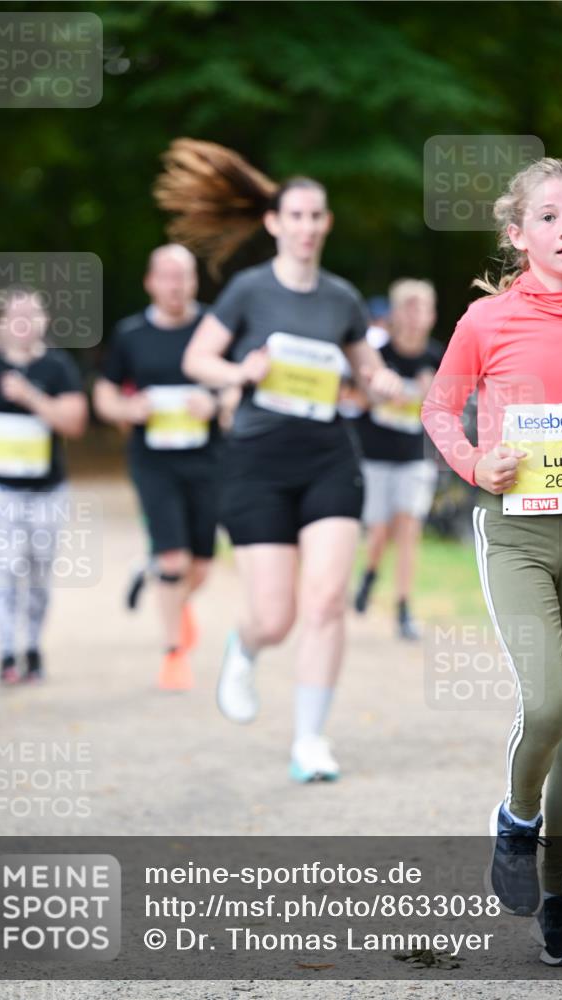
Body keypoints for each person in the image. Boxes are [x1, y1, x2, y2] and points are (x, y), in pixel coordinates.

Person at [154, 138, 405, 781]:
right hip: (258, 462)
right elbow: (196, 361)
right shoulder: (247, 290)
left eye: (316, 215)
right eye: (294, 215)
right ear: (274, 223)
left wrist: (378, 382)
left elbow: (367, 366)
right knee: (277, 614)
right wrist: (242, 369)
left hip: (328, 457)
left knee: (324, 603)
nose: (306, 226)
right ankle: (246, 646)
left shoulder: (342, 298)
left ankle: (310, 741)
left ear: (325, 224)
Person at [421, 158, 562, 966]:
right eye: (546, 217)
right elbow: (438, 407)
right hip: (517, 534)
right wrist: (474, 463)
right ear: (517, 234)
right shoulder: (485, 322)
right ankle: (515, 817)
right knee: (546, 708)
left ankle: (554, 903)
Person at [93, 245, 220, 691]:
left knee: (201, 566)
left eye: (183, 275)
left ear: (194, 281)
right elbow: (104, 396)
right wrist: (128, 409)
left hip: (207, 459)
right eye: (167, 275)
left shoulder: (214, 329)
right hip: (153, 462)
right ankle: (173, 653)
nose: (176, 284)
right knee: (174, 558)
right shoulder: (131, 334)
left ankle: (165, 589)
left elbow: (240, 382)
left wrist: (216, 402)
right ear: (150, 282)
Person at [0, 288, 87, 683]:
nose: (23, 321)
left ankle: (32, 647)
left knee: (38, 574)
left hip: (46, 490)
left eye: (31, 312)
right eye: (15, 313)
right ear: (1, 322)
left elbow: (75, 423)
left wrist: (30, 395)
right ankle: (6, 654)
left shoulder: (58, 366)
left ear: (44, 320)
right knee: (6, 567)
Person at [353, 279, 443, 638]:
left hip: (415, 458)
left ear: (432, 315)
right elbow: (354, 399)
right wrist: (380, 394)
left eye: (421, 307)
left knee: (407, 527)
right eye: (407, 307)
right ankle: (370, 573)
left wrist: (432, 394)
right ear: (395, 314)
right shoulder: (379, 355)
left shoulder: (438, 358)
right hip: (375, 455)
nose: (414, 315)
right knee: (379, 532)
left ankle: (404, 608)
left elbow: (453, 410)